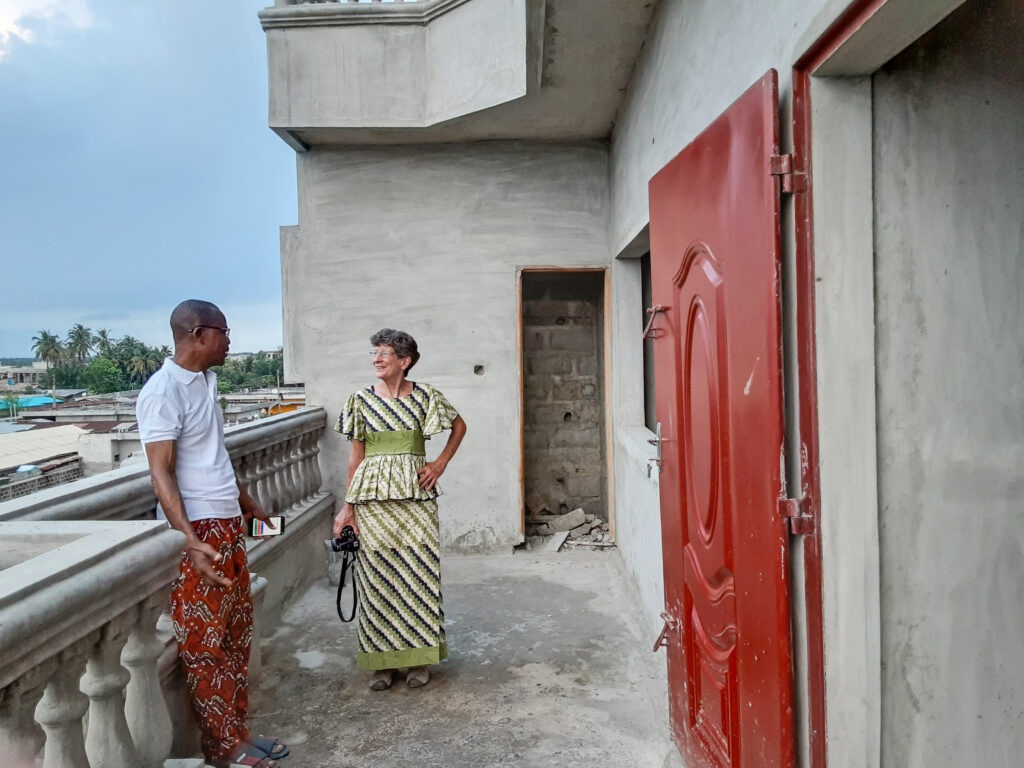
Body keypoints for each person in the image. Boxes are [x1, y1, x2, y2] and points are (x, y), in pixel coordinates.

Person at [136, 300, 289, 768]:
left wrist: (252, 509)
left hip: (226, 522)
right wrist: (189, 539)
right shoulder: (162, 391)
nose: (230, 340)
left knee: (236, 635)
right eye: (224, 332)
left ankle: (238, 733)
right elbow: (160, 473)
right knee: (204, 645)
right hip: (200, 530)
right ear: (200, 334)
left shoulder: (205, 382)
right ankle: (223, 749)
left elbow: (214, 459)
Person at [333, 328, 467, 691]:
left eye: (384, 353)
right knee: (378, 575)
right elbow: (356, 456)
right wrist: (348, 508)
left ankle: (418, 660)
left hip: (415, 498)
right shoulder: (360, 400)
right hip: (373, 498)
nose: (376, 359)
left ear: (404, 362)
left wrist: (439, 464)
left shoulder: (425, 397)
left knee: (419, 572)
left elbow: (459, 426)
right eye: (374, 353)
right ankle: (382, 663)